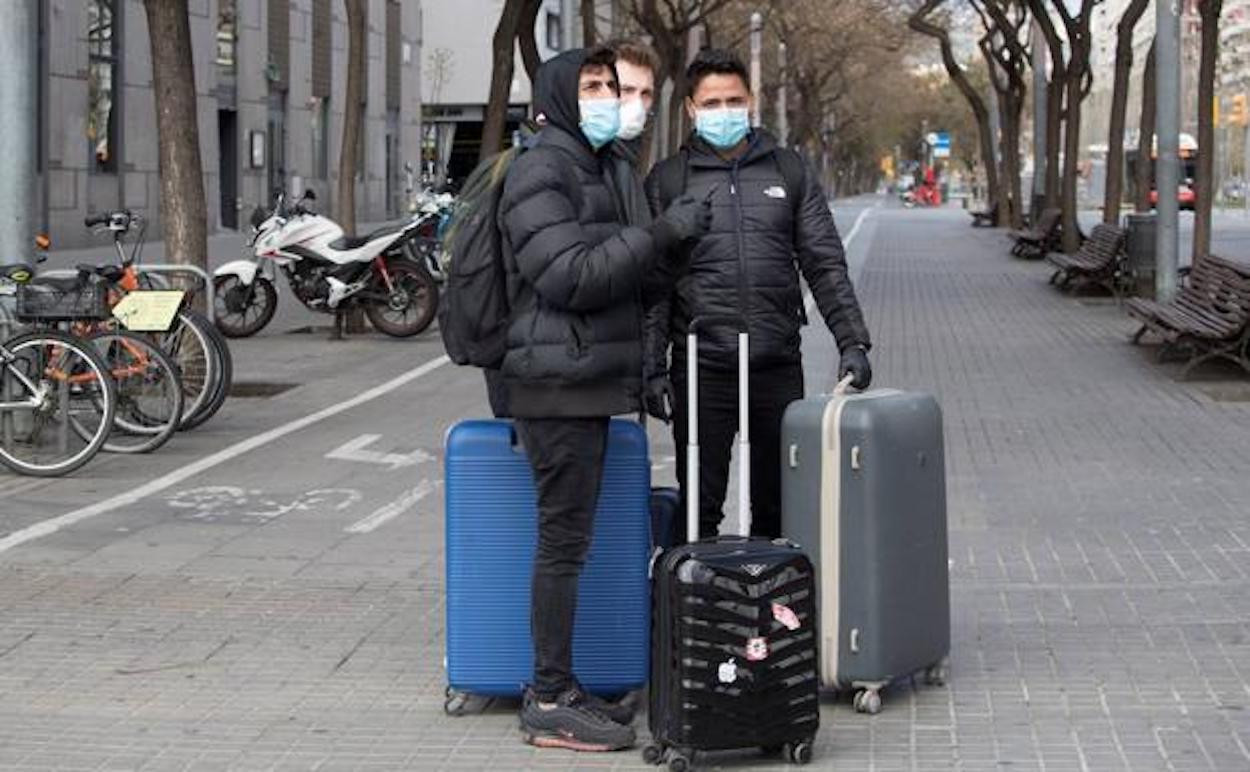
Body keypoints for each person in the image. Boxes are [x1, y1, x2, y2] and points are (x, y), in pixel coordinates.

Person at [498, 46, 711, 752]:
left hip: (579, 379)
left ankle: (563, 685)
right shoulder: (540, 169)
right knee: (562, 541)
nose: (607, 97)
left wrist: (667, 245)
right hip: (552, 385)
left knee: (572, 539)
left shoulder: (594, 166)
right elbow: (571, 276)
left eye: (611, 86)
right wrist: (659, 233)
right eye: (591, 85)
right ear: (560, 95)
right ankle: (548, 697)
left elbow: (623, 270)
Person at [643, 47, 872, 541]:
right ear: (691, 109)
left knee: (777, 506)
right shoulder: (668, 180)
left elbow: (823, 261)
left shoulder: (788, 170)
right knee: (698, 509)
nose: (724, 111)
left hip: (775, 364)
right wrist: (652, 368)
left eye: (734, 100)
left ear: (750, 101)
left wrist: (852, 340)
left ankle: (771, 591)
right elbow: (654, 284)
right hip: (701, 369)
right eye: (712, 103)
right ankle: (697, 588)